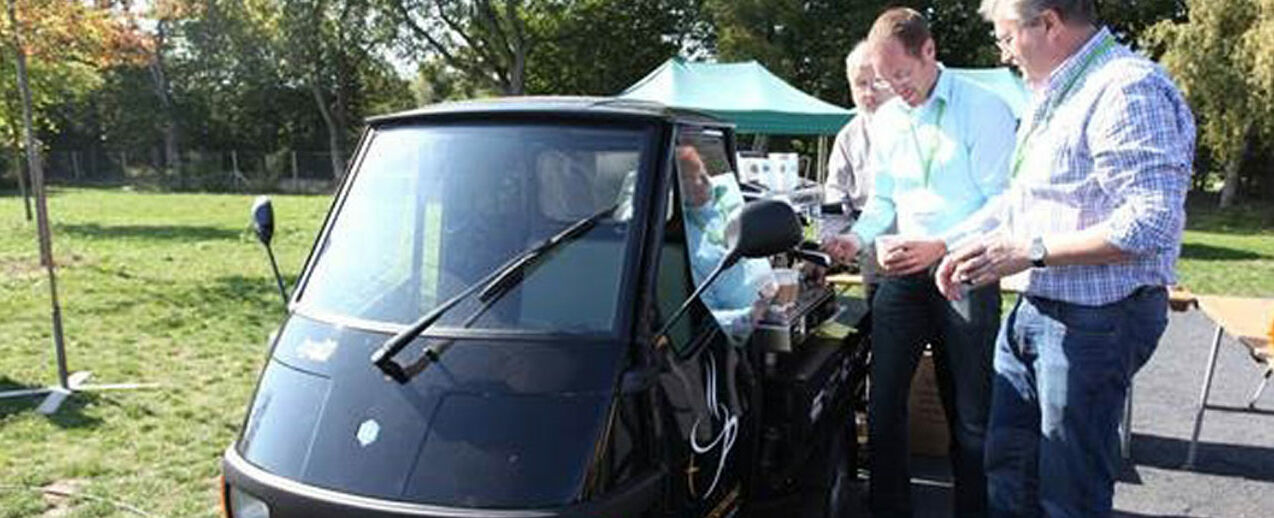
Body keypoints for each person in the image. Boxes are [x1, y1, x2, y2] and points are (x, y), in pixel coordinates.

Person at [934, 1, 1196, 515]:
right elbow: (1027, 199)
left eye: (1006, 36)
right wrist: (952, 244)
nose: (1002, 51)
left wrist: (1030, 251)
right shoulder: (1058, 91)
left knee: (1067, 493)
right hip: (1042, 310)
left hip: (1094, 321)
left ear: (1048, 24)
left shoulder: (1126, 88)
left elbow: (1150, 221)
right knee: (1010, 471)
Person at [822, 7, 1017, 517]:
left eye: (901, 75)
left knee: (972, 412)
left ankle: (973, 510)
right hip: (905, 273)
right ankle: (890, 509)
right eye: (885, 79)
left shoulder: (985, 108)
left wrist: (942, 245)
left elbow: (1001, 204)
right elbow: (884, 201)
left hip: (968, 270)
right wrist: (859, 240)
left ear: (929, 51)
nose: (895, 89)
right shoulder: (885, 119)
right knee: (883, 403)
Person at [675, 144, 773, 342]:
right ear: (676, 186)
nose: (702, 182)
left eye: (703, 174)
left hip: (775, 304)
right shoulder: (685, 241)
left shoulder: (728, 195)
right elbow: (702, 320)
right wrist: (752, 314)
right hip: (742, 341)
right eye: (689, 179)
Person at [824, 40, 896, 301]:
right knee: (882, 334)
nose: (869, 93)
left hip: (929, 256)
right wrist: (831, 242)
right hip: (875, 257)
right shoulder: (847, 137)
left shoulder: (921, 127)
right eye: (860, 84)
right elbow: (834, 194)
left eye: (876, 82)